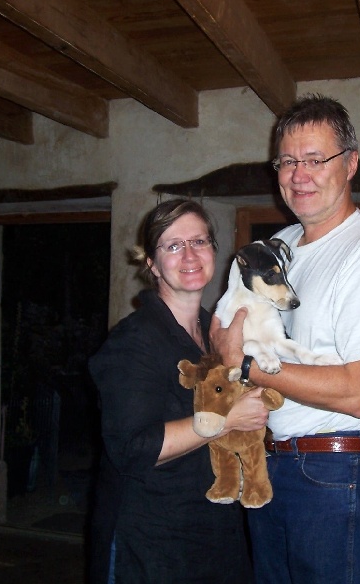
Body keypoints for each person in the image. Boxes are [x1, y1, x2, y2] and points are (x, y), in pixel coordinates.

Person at [211, 94, 360, 584]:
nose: (298, 175)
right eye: (287, 161)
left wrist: (246, 366)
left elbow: (359, 394)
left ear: (350, 164)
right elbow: (226, 325)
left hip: (335, 472)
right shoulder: (280, 246)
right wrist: (223, 342)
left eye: (314, 159)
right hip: (273, 460)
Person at [88, 199, 268, 584]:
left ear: (214, 251)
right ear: (152, 264)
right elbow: (133, 448)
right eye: (173, 245)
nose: (189, 255)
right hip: (152, 540)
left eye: (199, 241)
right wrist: (226, 420)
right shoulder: (133, 341)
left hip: (215, 529)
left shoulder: (214, 333)